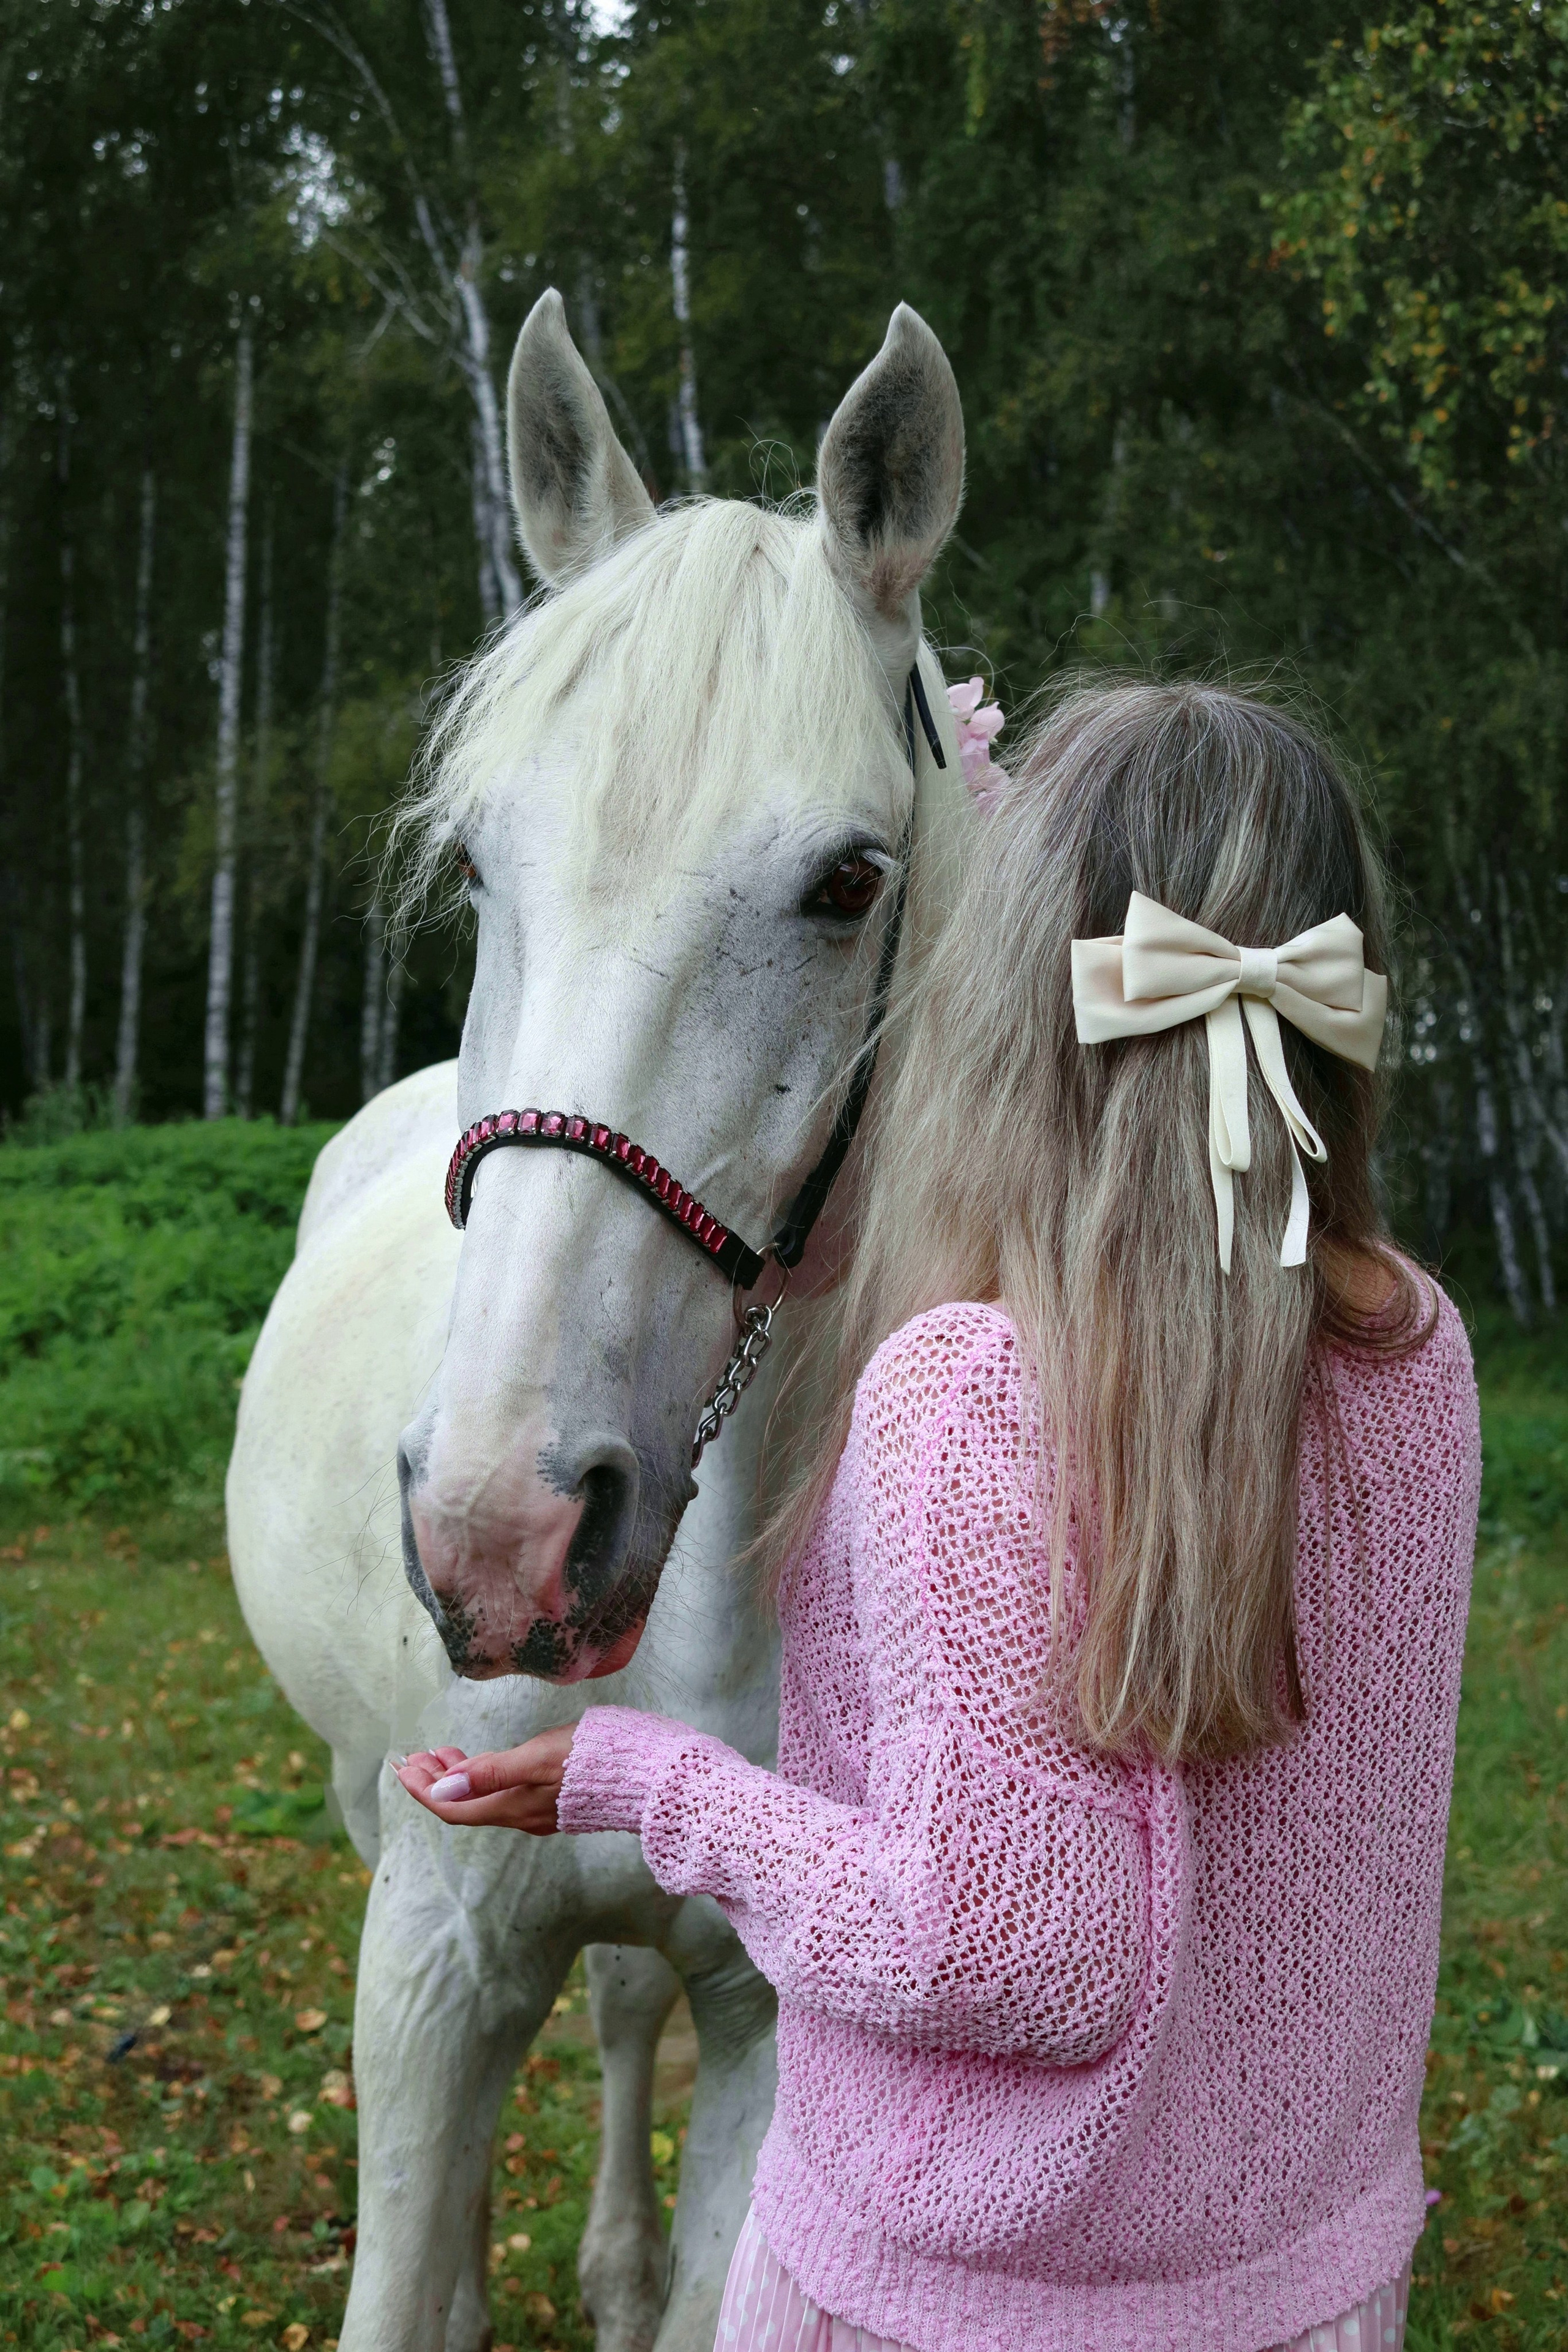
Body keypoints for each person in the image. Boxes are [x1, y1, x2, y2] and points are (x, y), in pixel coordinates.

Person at [398, 680, 1479, 2352]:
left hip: (948, 2301)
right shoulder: (1419, 1347)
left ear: (1013, 980)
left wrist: (647, 1782)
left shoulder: (971, 1391)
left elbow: (1000, 1942)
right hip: (1307, 2282)